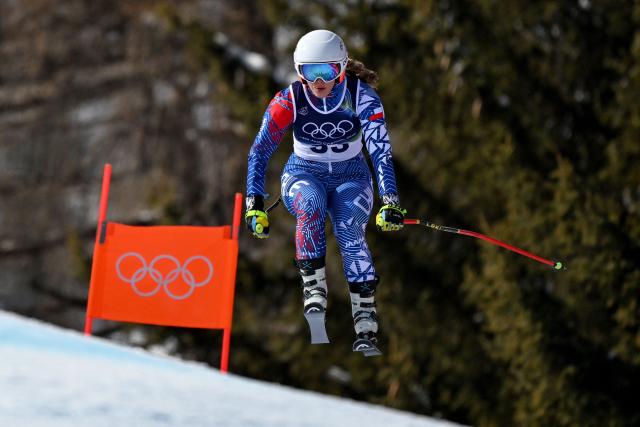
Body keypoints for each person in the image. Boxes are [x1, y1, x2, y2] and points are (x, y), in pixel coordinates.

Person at [244, 29, 405, 356]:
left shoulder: (362, 97)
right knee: (311, 204)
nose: (318, 81)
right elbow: (260, 150)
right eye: (309, 71)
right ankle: (313, 287)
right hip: (303, 172)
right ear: (298, 71)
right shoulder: (289, 99)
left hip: (352, 175)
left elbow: (380, 152)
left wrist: (391, 202)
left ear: (342, 68)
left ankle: (364, 313)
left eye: (327, 71)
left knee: (349, 227)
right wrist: (254, 203)